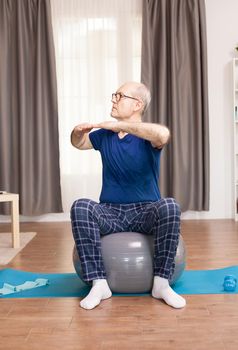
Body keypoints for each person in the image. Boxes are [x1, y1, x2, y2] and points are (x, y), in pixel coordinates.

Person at [70, 81, 186, 310]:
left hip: (146, 211)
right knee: (80, 206)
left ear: (137, 104)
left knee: (170, 206)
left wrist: (119, 125)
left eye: (119, 96)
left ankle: (162, 284)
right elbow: (79, 144)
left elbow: (163, 134)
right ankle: (99, 283)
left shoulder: (148, 135)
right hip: (110, 212)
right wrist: (76, 132)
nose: (113, 99)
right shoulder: (105, 136)